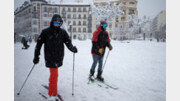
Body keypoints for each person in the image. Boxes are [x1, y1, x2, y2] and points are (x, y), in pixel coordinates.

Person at [33, 14, 78, 100]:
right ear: (52, 22)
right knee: (54, 75)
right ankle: (52, 94)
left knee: (54, 75)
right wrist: (36, 56)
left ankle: (52, 88)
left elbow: (68, 43)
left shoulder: (63, 32)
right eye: (56, 22)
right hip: (50, 57)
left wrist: (73, 49)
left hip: (59, 57)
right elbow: (38, 45)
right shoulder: (45, 32)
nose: (57, 24)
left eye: (59, 23)